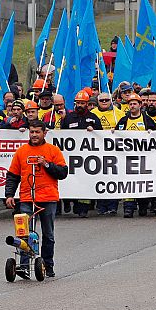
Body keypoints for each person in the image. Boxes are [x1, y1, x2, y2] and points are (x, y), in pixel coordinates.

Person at [4, 120, 68, 278]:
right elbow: (12, 175)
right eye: (31, 132)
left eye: (37, 132)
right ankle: (24, 266)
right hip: (27, 198)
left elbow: (63, 173)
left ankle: (47, 265)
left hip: (48, 198)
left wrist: (47, 164)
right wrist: (9, 195)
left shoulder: (53, 150)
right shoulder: (21, 151)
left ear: (44, 133)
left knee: (48, 234)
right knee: (24, 233)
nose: (34, 135)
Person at [115, 93, 156, 218]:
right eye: (130, 104)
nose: (132, 106)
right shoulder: (123, 121)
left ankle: (143, 206)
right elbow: (116, 137)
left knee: (143, 183)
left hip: (145, 159)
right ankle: (128, 208)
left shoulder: (147, 120)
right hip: (128, 159)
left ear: (140, 105)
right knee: (128, 183)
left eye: (135, 103)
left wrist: (152, 133)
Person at [60, 90, 101, 218]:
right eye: (78, 103)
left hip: (88, 157)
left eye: (82, 103)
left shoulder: (93, 118)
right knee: (71, 180)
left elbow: (101, 135)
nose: (80, 105)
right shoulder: (69, 118)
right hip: (72, 157)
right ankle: (70, 202)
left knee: (85, 181)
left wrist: (94, 131)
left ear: (87, 104)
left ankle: (83, 208)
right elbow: (61, 135)